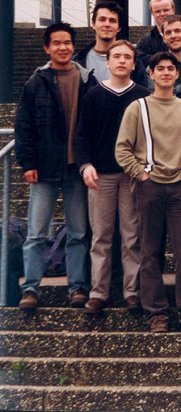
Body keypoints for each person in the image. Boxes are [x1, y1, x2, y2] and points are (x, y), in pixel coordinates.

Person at [115, 51, 181, 333]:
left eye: (170, 69)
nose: (166, 73)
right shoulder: (137, 107)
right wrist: (140, 173)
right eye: (160, 69)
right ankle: (156, 313)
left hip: (180, 187)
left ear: (177, 74)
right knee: (150, 251)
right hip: (149, 186)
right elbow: (122, 148)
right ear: (151, 74)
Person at [16, 23, 98, 311]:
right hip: (44, 168)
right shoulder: (35, 83)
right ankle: (30, 289)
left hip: (77, 168)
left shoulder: (87, 79)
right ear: (46, 48)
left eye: (67, 42)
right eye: (56, 43)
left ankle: (77, 287)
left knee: (78, 233)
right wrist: (27, 162)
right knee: (36, 233)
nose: (62, 47)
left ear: (73, 47)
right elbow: (23, 126)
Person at [75, 40, 150, 315]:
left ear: (133, 63)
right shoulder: (93, 95)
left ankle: (132, 291)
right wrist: (85, 165)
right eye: (116, 56)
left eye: (127, 57)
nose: (121, 61)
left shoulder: (142, 96)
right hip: (101, 175)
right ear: (107, 63)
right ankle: (98, 292)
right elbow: (82, 135)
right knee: (101, 237)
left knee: (132, 236)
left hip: (132, 176)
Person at [75, 1, 148, 87]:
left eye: (112, 21)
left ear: (119, 27)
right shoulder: (78, 61)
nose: (107, 24)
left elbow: (143, 91)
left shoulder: (134, 62)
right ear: (93, 24)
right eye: (102, 19)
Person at [137, 0, 175, 66]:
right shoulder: (145, 41)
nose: (162, 14)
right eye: (158, 11)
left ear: (173, 10)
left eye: (166, 10)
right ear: (152, 13)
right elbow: (138, 61)